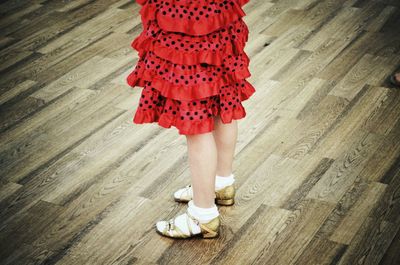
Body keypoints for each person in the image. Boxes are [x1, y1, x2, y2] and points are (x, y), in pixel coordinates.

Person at [126, 0, 255, 239]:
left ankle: (203, 214)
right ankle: (221, 183)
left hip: (187, 14)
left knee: (195, 116)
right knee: (221, 95)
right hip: (217, 10)